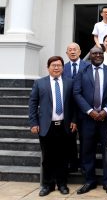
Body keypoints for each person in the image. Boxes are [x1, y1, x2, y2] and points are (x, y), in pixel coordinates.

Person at [29, 56, 77, 197]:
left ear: (63, 67)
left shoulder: (69, 82)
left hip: (64, 126)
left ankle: (62, 184)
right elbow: (32, 103)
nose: (56, 68)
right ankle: (47, 185)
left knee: (63, 157)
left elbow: (73, 104)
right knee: (48, 158)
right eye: (53, 65)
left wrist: (74, 120)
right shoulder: (40, 83)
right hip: (46, 126)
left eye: (59, 65)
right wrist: (33, 122)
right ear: (48, 67)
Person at [73, 46, 107, 196]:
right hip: (87, 120)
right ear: (90, 56)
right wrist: (90, 111)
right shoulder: (82, 72)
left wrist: (106, 110)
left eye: (100, 53)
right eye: (94, 53)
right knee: (87, 151)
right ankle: (89, 180)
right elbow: (77, 93)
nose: (98, 55)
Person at [63, 42, 90, 173]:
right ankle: (72, 164)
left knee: (85, 139)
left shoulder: (88, 66)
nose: (72, 52)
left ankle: (85, 166)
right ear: (67, 53)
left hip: (85, 109)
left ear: (80, 52)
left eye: (75, 50)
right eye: (70, 50)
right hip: (68, 109)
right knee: (69, 138)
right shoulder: (63, 68)